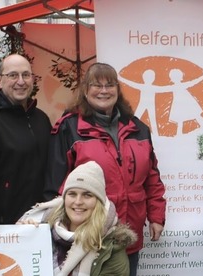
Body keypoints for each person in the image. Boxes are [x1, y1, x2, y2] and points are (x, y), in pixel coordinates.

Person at [45, 62, 166, 276]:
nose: (103, 91)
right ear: (85, 90)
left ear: (117, 91)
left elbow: (152, 178)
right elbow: (56, 183)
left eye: (110, 85)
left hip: (129, 232)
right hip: (88, 235)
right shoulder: (69, 128)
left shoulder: (138, 128)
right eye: (96, 85)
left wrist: (156, 216)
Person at [0, 54, 51, 224]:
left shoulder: (41, 119)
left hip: (40, 223)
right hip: (4, 228)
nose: (21, 81)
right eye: (13, 75)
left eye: (26, 75)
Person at [19, 161, 136, 276]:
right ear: (64, 199)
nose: (78, 202)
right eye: (72, 194)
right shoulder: (44, 227)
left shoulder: (112, 249)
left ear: (98, 202)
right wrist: (25, 238)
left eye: (87, 195)